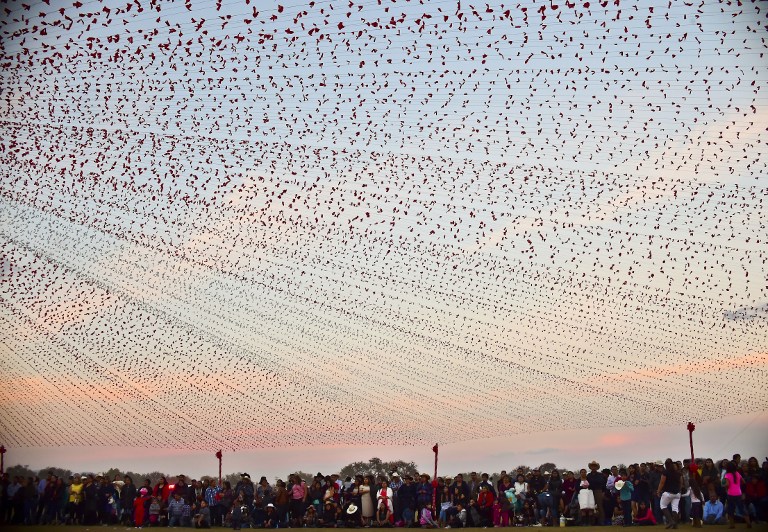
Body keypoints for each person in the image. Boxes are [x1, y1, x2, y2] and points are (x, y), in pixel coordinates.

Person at [723, 460, 752, 529]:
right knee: (742, 509)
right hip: (738, 493)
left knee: (731, 510)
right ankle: (748, 523)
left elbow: (727, 484)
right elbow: (743, 481)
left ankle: (732, 525)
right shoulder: (737, 473)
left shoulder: (727, 475)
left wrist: (724, 485)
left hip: (731, 494)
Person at [657, 458, 682, 529]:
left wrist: (658, 491)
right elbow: (680, 483)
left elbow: (662, 483)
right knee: (675, 508)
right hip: (677, 493)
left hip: (668, 493)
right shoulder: (678, 473)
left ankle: (671, 521)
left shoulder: (665, 472)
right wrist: (679, 490)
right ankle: (675, 524)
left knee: (663, 506)